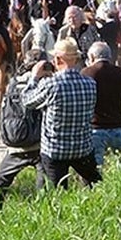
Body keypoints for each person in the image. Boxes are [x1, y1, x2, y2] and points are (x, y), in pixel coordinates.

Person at [22, 37, 100, 190]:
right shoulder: (91, 84)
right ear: (76, 59)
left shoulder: (51, 84)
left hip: (55, 151)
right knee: (95, 185)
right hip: (83, 148)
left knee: (54, 195)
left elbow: (27, 100)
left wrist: (34, 77)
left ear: (57, 59)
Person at [0, 51, 46, 211]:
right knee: (46, 183)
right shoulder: (46, 82)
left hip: (15, 145)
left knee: (0, 180)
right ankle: (44, 212)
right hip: (40, 145)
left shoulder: (13, 82)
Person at [80, 41, 121, 167]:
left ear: (92, 57)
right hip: (118, 127)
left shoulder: (86, 73)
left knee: (96, 169)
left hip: (96, 128)